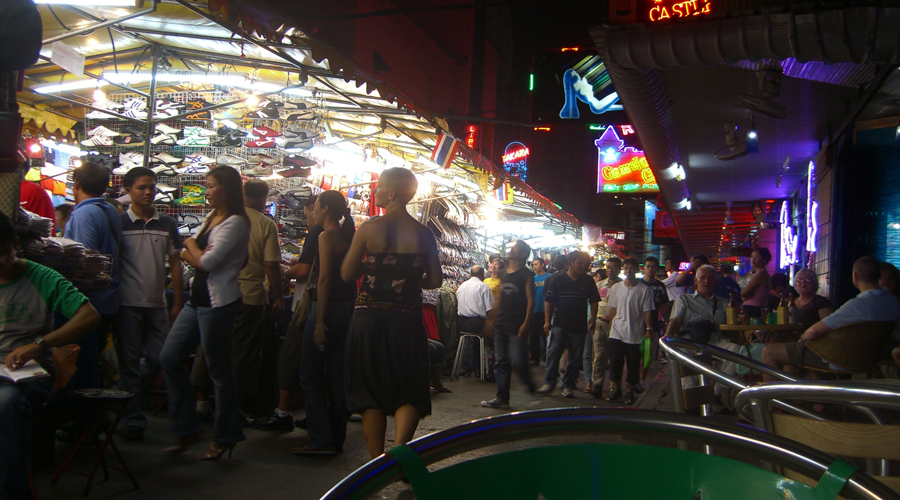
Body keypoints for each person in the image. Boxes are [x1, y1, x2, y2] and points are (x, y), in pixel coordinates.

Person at [341, 167, 442, 459]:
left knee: (369, 389)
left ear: (392, 193)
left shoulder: (369, 229)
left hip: (368, 319)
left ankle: (375, 462)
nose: (374, 191)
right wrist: (408, 281)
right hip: (407, 319)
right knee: (409, 385)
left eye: (379, 187)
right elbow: (435, 281)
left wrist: (373, 270)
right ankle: (400, 450)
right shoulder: (424, 234)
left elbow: (347, 273)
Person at [0, 211, 101, 499]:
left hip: (27, 373)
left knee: (4, 405)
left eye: (0, 254)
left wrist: (40, 345)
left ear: (15, 243)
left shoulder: (41, 277)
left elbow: (89, 316)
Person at [159, 166, 250, 460]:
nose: (207, 192)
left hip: (218, 304)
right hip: (196, 302)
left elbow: (205, 261)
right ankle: (187, 426)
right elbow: (196, 259)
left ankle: (225, 435)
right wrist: (193, 254)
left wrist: (187, 245)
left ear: (227, 189)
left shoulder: (236, 223)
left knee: (219, 372)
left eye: (211, 186)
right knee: (170, 357)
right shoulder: (213, 218)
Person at [115, 167, 183, 441]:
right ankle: (133, 419)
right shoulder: (119, 224)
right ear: (128, 190)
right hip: (127, 304)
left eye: (151, 187)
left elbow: (176, 263)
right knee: (128, 362)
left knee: (160, 359)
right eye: (142, 187)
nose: (147, 192)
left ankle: (125, 395)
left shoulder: (166, 223)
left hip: (157, 304)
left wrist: (177, 301)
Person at [761, 257, 900, 380]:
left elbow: (815, 331)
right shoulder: (891, 303)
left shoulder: (856, 305)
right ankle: (806, 402)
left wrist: (802, 339)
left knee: (769, 351)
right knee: (790, 354)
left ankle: (775, 405)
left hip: (836, 357)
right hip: (869, 357)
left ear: (855, 276)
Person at [296, 190, 358, 456]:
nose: (313, 211)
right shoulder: (347, 237)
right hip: (346, 309)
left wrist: (319, 322)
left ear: (326, 210)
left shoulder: (326, 236)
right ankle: (336, 438)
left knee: (309, 375)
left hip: (327, 309)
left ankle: (321, 438)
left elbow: (324, 280)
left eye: (317, 206)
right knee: (335, 377)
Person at [255, 195, 318, 431]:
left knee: (290, 357)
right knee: (310, 361)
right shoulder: (334, 233)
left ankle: (283, 413)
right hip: (313, 304)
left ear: (314, 208)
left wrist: (282, 271)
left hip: (305, 305)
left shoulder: (317, 232)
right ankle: (315, 413)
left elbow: (303, 271)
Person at [66, 161, 122, 388]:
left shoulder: (85, 214)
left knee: (83, 365)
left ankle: (87, 418)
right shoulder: (110, 209)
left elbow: (85, 261)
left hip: (89, 303)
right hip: (108, 299)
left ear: (76, 184)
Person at [665, 265, 742, 412]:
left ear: (716, 282)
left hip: (715, 342)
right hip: (691, 342)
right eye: (702, 277)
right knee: (682, 354)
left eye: (710, 278)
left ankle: (713, 394)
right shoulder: (684, 299)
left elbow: (732, 326)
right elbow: (676, 320)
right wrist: (667, 339)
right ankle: (692, 398)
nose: (706, 281)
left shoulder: (724, 303)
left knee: (735, 351)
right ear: (696, 280)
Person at [481, 239, 536, 409]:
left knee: (519, 361)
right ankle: (502, 397)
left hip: (517, 324)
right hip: (501, 323)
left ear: (523, 254)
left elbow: (530, 300)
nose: (511, 250)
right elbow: (500, 298)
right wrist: (490, 320)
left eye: (515, 248)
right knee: (501, 361)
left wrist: (526, 323)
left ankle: (531, 386)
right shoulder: (504, 274)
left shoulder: (526, 274)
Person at [537, 251, 599, 398]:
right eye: (580, 263)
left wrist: (593, 317)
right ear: (570, 263)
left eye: (585, 264)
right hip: (560, 323)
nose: (583, 266)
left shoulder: (587, 281)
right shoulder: (557, 279)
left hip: (579, 325)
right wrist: (547, 321)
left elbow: (594, 300)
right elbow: (549, 301)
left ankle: (568, 385)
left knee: (575, 357)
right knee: (553, 353)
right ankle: (549, 382)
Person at [605, 258, 654, 405]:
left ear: (637, 269)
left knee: (633, 365)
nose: (628, 270)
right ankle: (616, 390)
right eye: (625, 268)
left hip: (635, 334)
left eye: (631, 268)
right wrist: (609, 328)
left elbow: (647, 312)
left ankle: (630, 392)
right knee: (615, 364)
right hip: (616, 332)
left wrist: (648, 329)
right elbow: (613, 309)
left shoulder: (645, 290)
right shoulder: (617, 288)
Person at [589, 257, 621, 399]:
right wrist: (592, 319)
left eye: (613, 267)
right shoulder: (599, 284)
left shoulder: (623, 286)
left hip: (617, 325)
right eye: (608, 267)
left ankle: (614, 387)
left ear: (619, 269)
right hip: (600, 322)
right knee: (599, 356)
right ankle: (597, 384)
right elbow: (593, 303)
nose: (610, 270)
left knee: (615, 357)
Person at [455, 265, 494, 376]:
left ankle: (470, 367)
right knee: (493, 340)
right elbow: (490, 310)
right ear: (483, 275)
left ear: (470, 274)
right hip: (477, 323)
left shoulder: (462, 286)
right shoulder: (484, 287)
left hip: (462, 323)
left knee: (472, 342)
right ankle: (485, 369)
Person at [639, 256, 670, 391]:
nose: (650, 269)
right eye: (648, 266)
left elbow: (663, 306)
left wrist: (667, 321)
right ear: (643, 268)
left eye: (653, 266)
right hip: (635, 324)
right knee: (633, 354)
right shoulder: (638, 284)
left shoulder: (660, 286)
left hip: (653, 326)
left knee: (647, 355)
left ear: (657, 268)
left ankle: (641, 380)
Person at [740, 247, 772, 321]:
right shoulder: (759, 273)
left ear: (764, 260)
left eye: (757, 257)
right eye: (752, 256)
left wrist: (746, 294)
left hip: (753, 309)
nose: (753, 259)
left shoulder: (761, 274)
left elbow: (743, 293)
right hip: (753, 307)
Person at [530, 257, 550, 366]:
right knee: (534, 335)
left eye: (536, 264)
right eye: (533, 265)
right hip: (535, 310)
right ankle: (535, 358)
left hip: (547, 311)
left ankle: (547, 357)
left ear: (542, 265)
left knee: (546, 335)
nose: (534, 267)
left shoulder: (550, 278)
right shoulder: (533, 279)